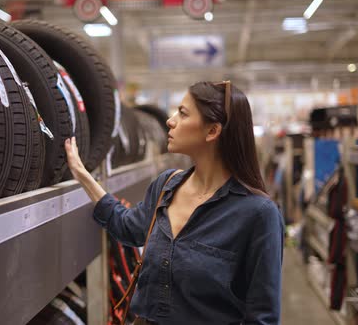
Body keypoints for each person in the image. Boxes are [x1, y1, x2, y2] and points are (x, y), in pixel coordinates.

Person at [64, 81, 284, 325]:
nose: (170, 121)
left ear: (212, 131)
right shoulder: (166, 186)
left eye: (183, 113)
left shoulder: (258, 214)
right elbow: (129, 227)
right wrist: (83, 175)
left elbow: (262, 317)